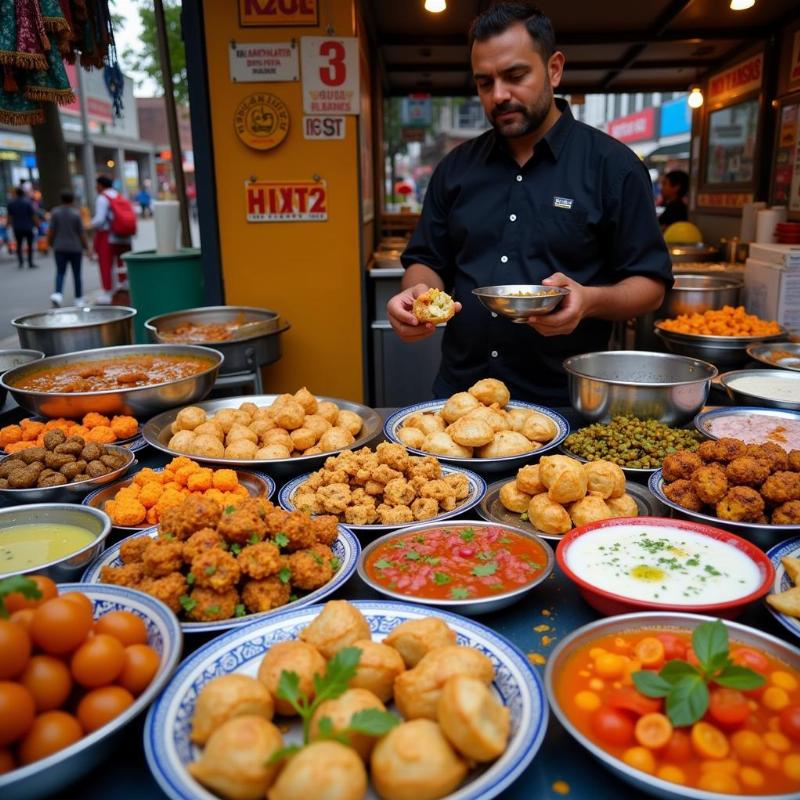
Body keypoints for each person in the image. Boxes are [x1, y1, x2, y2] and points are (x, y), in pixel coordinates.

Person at [387, 1, 672, 406]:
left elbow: (650, 285)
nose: (499, 94)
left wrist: (589, 301)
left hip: (566, 401)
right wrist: (419, 295)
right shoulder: (455, 169)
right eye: (484, 83)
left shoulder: (615, 167)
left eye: (515, 75)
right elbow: (427, 260)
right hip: (460, 399)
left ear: (554, 69)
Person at [90, 174, 133, 304]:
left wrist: (88, 224)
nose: (95, 187)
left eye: (97, 185)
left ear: (101, 185)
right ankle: (123, 287)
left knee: (106, 264)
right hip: (124, 234)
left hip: (107, 235)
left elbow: (99, 220)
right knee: (122, 262)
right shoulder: (119, 196)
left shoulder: (102, 198)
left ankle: (108, 292)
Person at [47, 189, 88, 307]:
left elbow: (51, 231)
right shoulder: (76, 213)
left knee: (60, 271)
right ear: (73, 200)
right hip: (75, 248)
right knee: (77, 274)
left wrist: (50, 243)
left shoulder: (55, 212)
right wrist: (87, 248)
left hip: (59, 247)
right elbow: (81, 234)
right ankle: (79, 298)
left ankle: (58, 294)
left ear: (61, 200)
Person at [6, 187, 38, 269]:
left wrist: (7, 225)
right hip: (28, 226)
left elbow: (9, 217)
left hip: (17, 227)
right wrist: (37, 224)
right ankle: (30, 262)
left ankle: (21, 262)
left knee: (19, 245)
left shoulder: (11, 203)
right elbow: (33, 215)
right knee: (30, 245)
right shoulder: (28, 202)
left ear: (16, 193)